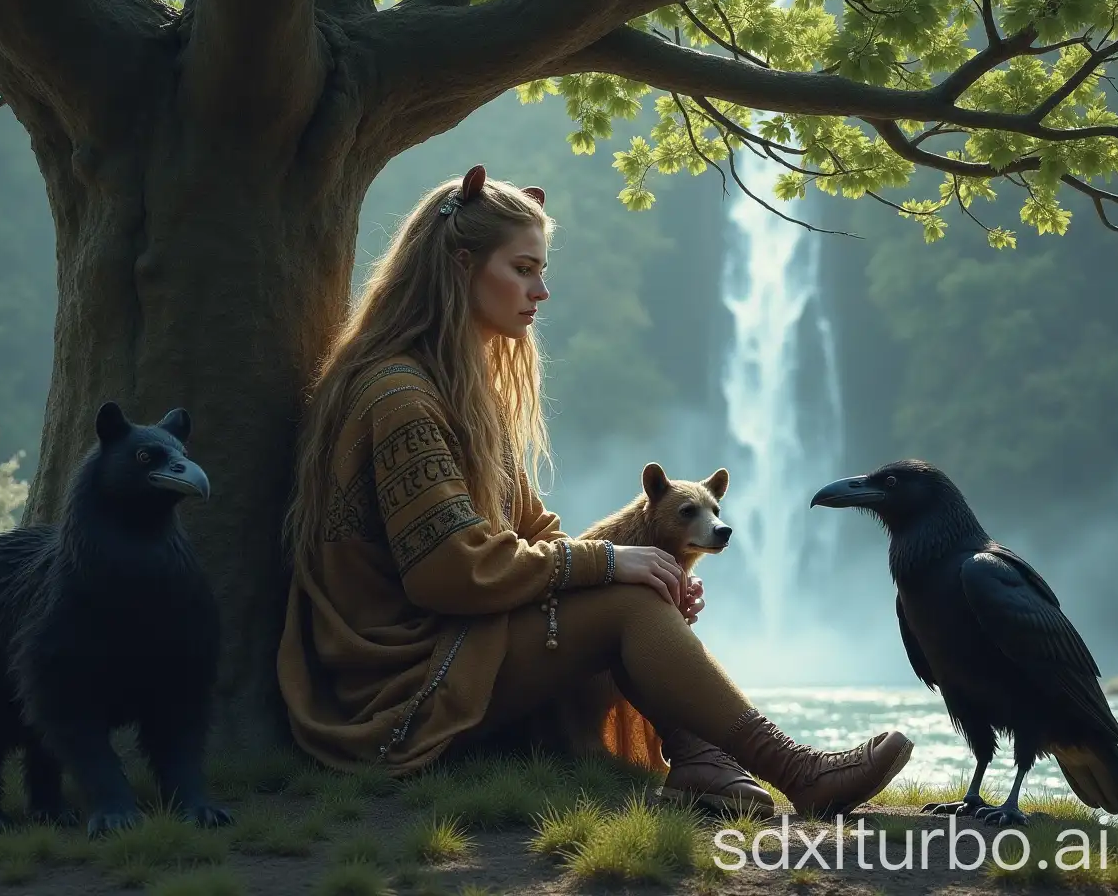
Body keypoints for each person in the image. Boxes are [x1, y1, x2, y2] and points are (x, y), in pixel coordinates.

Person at [277, 165, 915, 818]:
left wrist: (637, 569)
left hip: (451, 648)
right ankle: (795, 770)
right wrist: (610, 564)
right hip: (395, 690)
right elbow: (448, 573)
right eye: (523, 269)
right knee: (626, 603)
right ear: (460, 266)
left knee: (631, 590)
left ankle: (704, 760)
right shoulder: (402, 396)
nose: (541, 290)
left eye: (541, 270)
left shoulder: (457, 393)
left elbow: (533, 534)